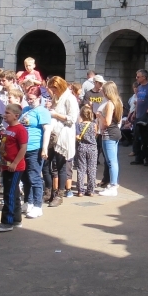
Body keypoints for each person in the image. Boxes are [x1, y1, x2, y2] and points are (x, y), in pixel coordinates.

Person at [0, 103, 28, 232]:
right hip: (6, 166)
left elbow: (23, 148)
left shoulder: (20, 130)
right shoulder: (8, 128)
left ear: (16, 116)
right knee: (14, 193)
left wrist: (14, 163)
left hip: (15, 167)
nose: (4, 115)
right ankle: (16, 219)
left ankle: (7, 222)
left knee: (9, 194)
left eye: (7, 113)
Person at [46, 76, 79, 206]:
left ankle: (59, 195)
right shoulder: (57, 97)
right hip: (52, 133)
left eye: (54, 88)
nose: (53, 91)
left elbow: (72, 118)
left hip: (63, 135)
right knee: (46, 164)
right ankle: (49, 192)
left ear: (59, 87)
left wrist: (55, 114)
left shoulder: (70, 98)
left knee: (60, 165)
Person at [22, 86, 52, 218]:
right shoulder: (25, 110)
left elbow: (47, 130)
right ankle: (28, 202)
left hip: (35, 148)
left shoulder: (42, 111)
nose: (29, 101)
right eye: (27, 98)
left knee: (34, 177)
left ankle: (37, 205)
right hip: (23, 148)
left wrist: (44, 148)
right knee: (24, 177)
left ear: (39, 98)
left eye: (32, 99)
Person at [97, 81, 124, 197]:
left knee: (111, 161)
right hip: (115, 132)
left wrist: (99, 116)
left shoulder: (109, 103)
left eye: (103, 89)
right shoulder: (117, 102)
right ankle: (112, 184)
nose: (101, 91)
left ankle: (113, 185)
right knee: (112, 161)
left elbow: (107, 122)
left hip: (109, 133)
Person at [75, 106, 99, 196]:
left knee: (81, 169)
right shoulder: (94, 125)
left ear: (81, 114)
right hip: (92, 148)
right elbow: (95, 135)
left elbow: (77, 137)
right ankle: (91, 190)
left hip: (81, 147)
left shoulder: (78, 125)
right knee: (92, 169)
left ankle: (80, 190)